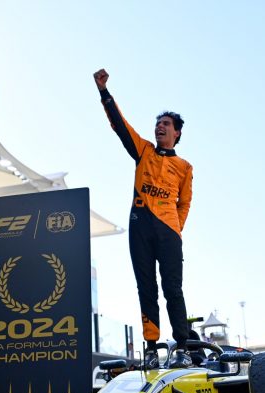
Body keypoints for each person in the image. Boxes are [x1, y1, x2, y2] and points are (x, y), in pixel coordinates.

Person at [94, 68, 194, 363]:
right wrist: (104, 93)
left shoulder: (185, 167)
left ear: (176, 132)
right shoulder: (144, 152)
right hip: (139, 226)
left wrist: (175, 228)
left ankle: (183, 347)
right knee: (145, 286)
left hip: (168, 231)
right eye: (157, 124)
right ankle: (150, 348)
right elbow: (120, 126)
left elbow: (185, 203)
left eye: (165, 124)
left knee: (173, 288)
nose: (159, 128)